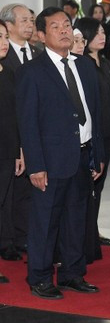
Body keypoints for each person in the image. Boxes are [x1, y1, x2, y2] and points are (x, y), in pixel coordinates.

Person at [17, 7, 104, 299]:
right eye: (55, 27)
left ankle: (71, 273)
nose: (65, 30)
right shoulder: (32, 71)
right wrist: (36, 166)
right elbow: (28, 122)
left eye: (67, 25)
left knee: (76, 219)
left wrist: (97, 154)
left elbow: (95, 114)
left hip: (82, 155)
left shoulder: (85, 66)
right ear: (41, 36)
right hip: (50, 161)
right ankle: (40, 277)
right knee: (46, 220)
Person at [0, 3, 40, 262]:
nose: (29, 25)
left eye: (31, 20)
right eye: (23, 20)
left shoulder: (8, 72)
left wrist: (19, 149)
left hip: (13, 144)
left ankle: (19, 236)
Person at [73, 17, 110, 263]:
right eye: (97, 32)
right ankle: (87, 234)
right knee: (89, 187)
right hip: (90, 132)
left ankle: (93, 229)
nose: (102, 36)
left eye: (103, 32)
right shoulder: (81, 64)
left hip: (106, 129)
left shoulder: (105, 63)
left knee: (99, 185)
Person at [0, 20, 25, 275]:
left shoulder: (8, 73)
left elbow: (14, 116)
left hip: (7, 151)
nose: (4, 41)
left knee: (5, 202)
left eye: (6, 36)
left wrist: (19, 150)